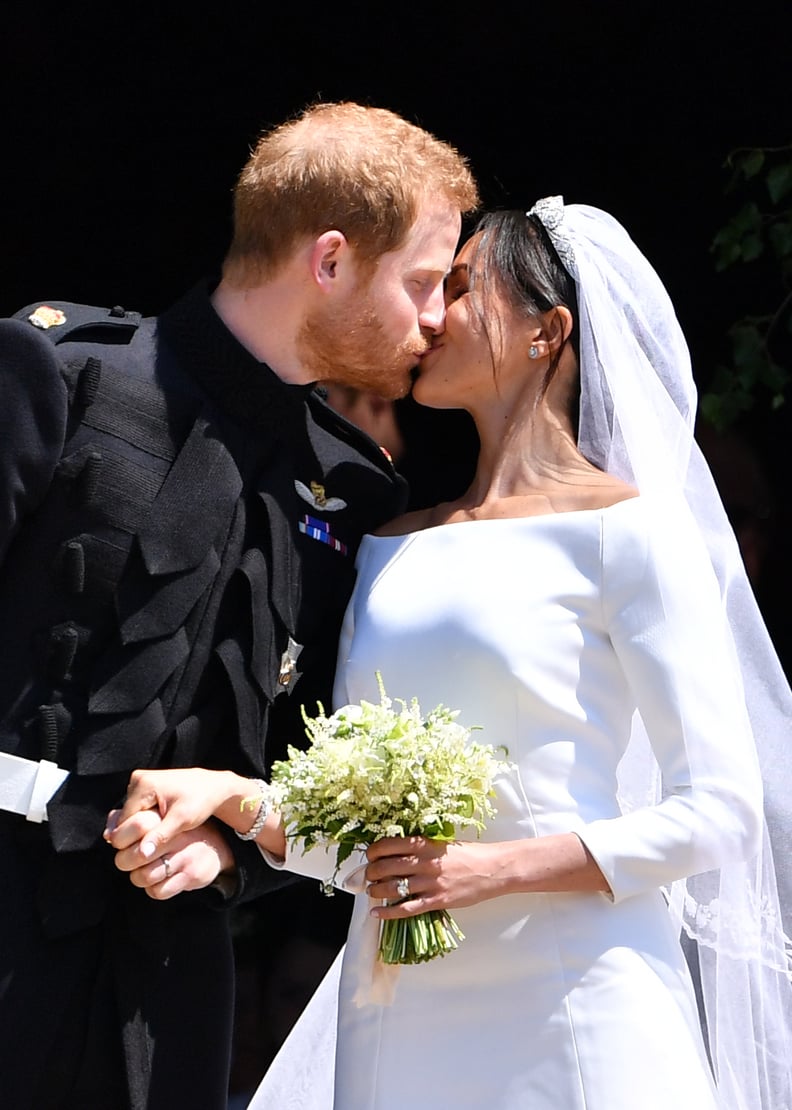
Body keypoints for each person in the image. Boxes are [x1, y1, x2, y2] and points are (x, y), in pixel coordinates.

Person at [108, 198, 792, 1108]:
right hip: (396, 1010)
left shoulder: (630, 534)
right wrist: (232, 799)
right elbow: (360, 844)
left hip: (577, 1004)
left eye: (460, 288)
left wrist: (488, 869)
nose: (429, 315)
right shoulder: (391, 545)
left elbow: (721, 813)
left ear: (548, 331)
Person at [0, 100, 478, 1110]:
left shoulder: (353, 496)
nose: (439, 321)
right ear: (332, 260)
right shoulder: (62, 372)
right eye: (425, 283)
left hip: (166, 984)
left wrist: (229, 847)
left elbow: (310, 759)